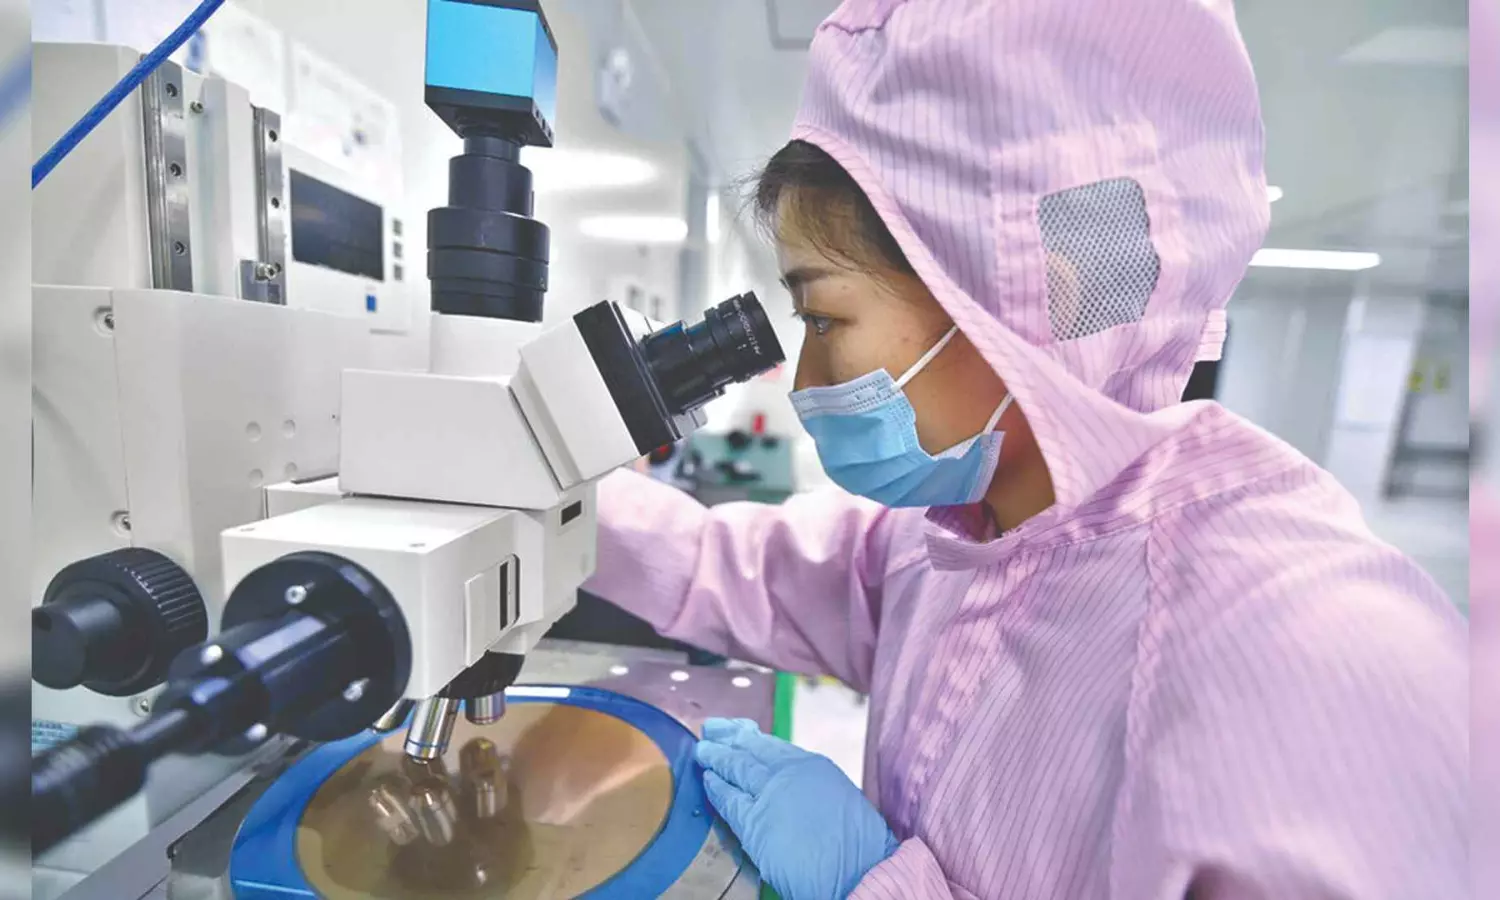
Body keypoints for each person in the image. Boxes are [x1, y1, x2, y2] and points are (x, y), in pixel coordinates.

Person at [583, 1, 1469, 897]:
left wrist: (879, 884)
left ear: (1032, 299)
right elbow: (743, 570)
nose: (806, 379)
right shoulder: (968, 528)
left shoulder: (1318, 652)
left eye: (823, 318)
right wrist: (549, 489)